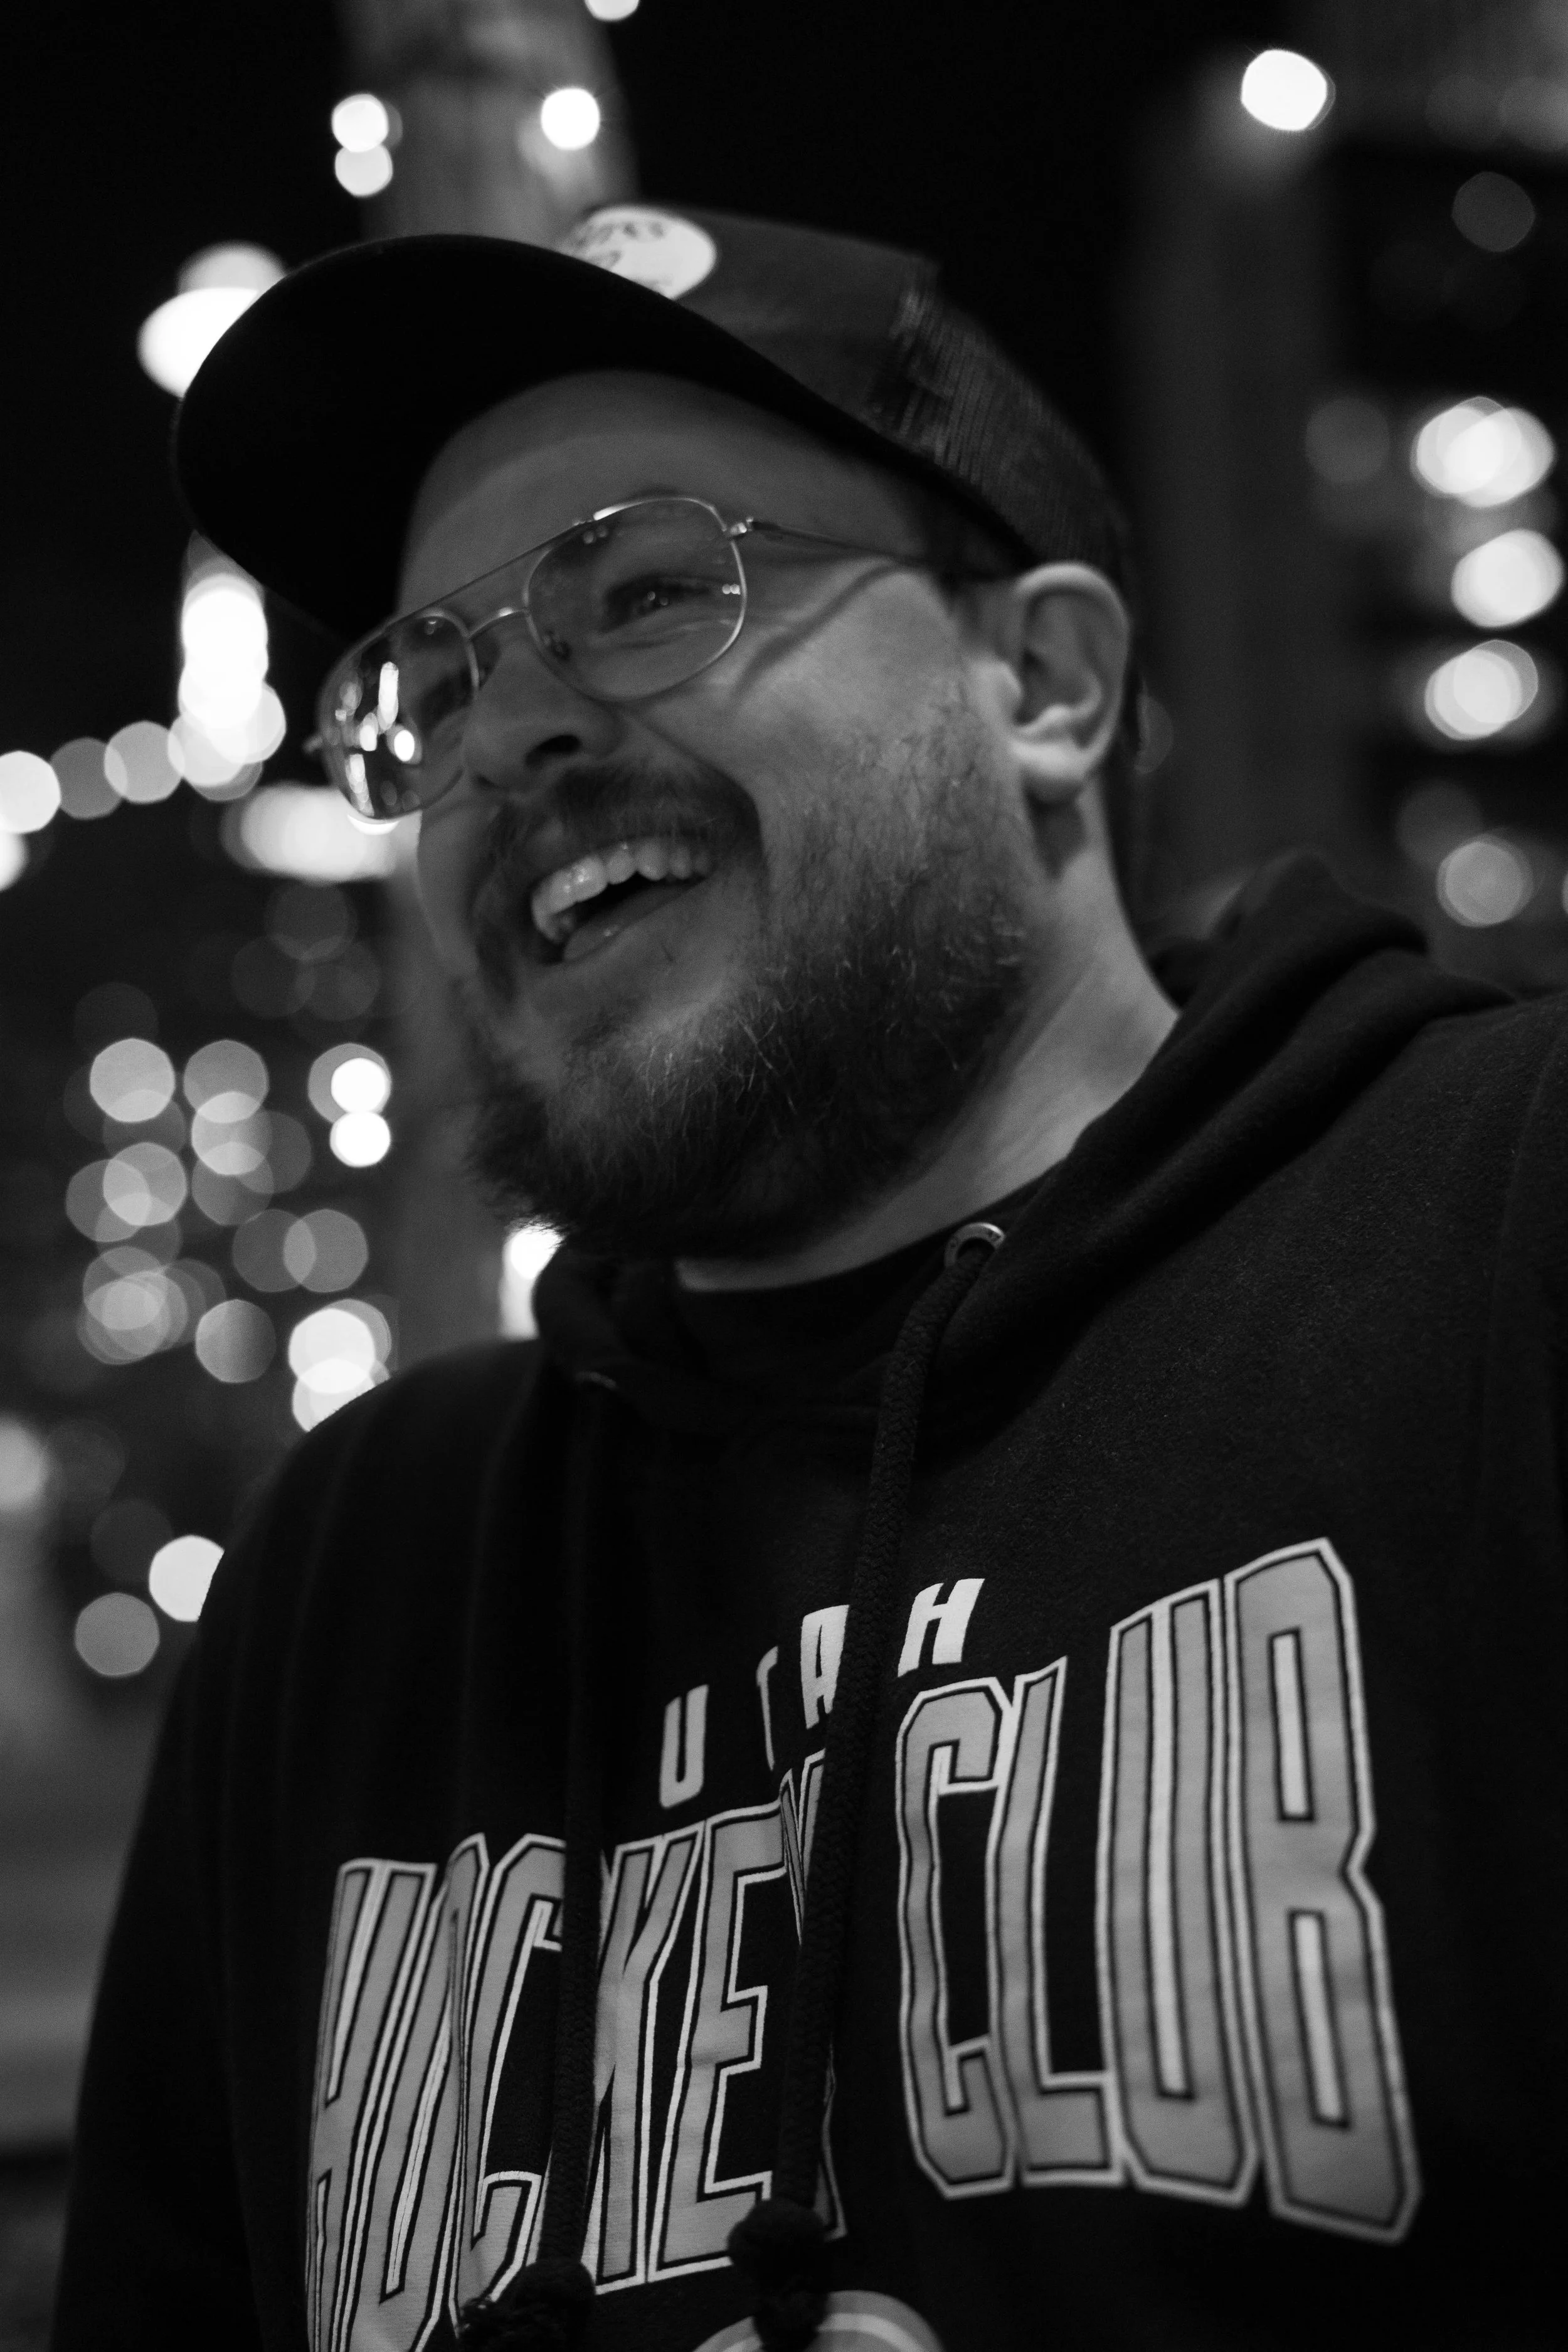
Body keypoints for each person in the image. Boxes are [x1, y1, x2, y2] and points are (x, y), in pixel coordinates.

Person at [53, 206, 1565, 2352]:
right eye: (428, 683)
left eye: (646, 589)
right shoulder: (357, 1569)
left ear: (1043, 684)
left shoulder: (1502, 1234)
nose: (504, 740)